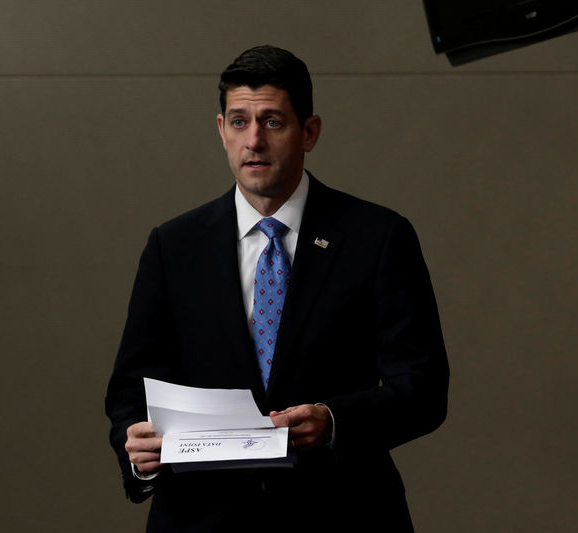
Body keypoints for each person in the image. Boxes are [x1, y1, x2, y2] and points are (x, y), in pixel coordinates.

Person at [105, 45, 449, 532]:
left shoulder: (377, 237)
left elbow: (423, 389)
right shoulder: (173, 246)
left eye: (272, 122)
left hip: (344, 515)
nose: (254, 142)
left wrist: (333, 420)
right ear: (221, 129)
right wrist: (136, 451)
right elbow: (129, 389)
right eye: (239, 121)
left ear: (309, 132)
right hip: (202, 519)